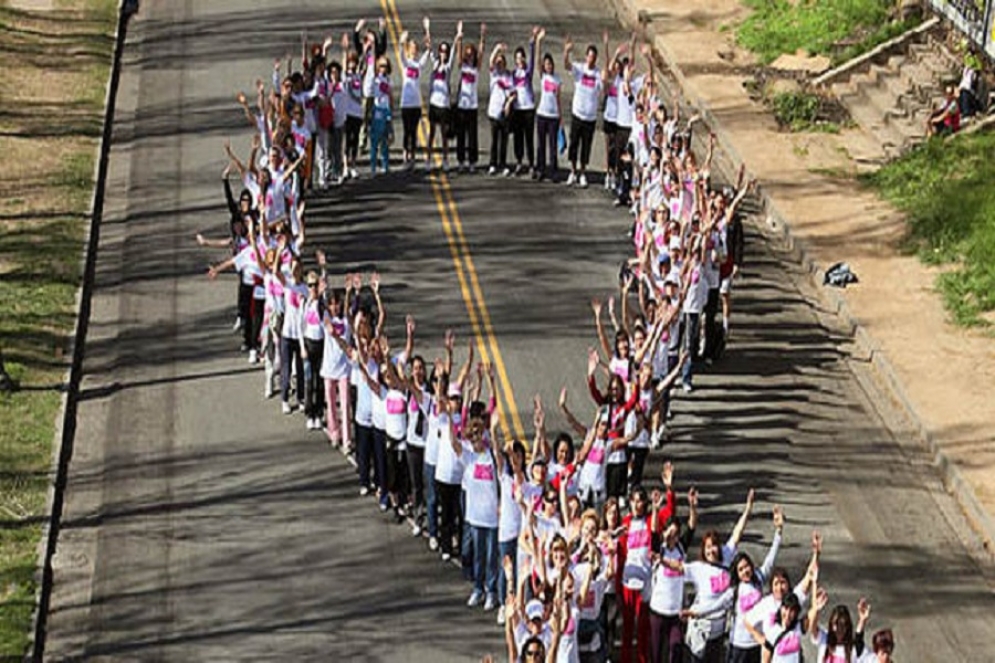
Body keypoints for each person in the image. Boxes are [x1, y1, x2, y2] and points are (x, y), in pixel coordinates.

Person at [563, 36, 603, 188]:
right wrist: (566, 52)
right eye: (589, 56)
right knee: (574, 144)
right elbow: (567, 66)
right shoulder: (579, 69)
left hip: (590, 117)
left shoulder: (598, 74)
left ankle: (583, 172)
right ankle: (572, 171)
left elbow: (603, 86)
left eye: (594, 57)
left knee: (586, 147)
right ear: (586, 56)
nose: (591, 59)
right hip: (577, 114)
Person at [425, 18, 460, 171]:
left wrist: (457, 36)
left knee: (444, 134)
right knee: (431, 133)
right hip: (434, 104)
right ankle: (428, 160)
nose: (444, 53)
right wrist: (427, 29)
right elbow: (429, 48)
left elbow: (454, 53)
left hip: (444, 104)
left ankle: (445, 160)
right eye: (442, 51)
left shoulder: (447, 67)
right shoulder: (435, 64)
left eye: (445, 51)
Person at [396, 26, 431, 170]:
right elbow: (400, 54)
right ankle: (405, 156)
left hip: (416, 103)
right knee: (406, 131)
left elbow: (428, 53)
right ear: (408, 49)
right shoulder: (406, 64)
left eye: (416, 48)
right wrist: (401, 41)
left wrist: (427, 32)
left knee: (414, 131)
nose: (414, 50)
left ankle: (413, 156)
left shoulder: (418, 65)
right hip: (406, 103)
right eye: (412, 48)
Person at [455, 23, 486, 172]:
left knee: (472, 136)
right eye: (467, 54)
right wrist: (459, 35)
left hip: (472, 106)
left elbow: (481, 53)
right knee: (461, 135)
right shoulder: (463, 67)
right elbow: (458, 53)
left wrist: (482, 36)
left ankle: (472, 162)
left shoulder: (476, 70)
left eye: (471, 54)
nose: (469, 56)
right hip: (462, 106)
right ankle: (461, 161)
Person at [533, 29, 561, 182]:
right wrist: (538, 41)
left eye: (550, 64)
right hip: (542, 114)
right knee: (541, 145)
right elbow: (537, 59)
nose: (548, 66)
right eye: (546, 64)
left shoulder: (557, 79)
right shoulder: (543, 77)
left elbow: (558, 99)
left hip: (554, 116)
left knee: (553, 146)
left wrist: (561, 118)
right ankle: (541, 169)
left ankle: (554, 171)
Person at [510, 27, 538, 177]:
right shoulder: (513, 74)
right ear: (515, 59)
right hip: (517, 109)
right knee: (518, 137)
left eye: (522, 57)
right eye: (517, 58)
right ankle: (519, 162)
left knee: (529, 137)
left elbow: (533, 60)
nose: (520, 60)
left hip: (528, 109)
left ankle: (532, 164)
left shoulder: (527, 72)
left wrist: (532, 42)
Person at [487, 42, 516, 176]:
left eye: (501, 63)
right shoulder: (494, 75)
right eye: (497, 63)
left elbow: (513, 93)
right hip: (493, 111)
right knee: (494, 140)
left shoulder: (509, 76)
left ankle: (503, 164)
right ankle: (492, 164)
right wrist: (497, 48)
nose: (499, 65)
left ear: (505, 64)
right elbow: (490, 61)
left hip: (504, 112)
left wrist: (509, 103)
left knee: (504, 141)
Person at [369, 56, 393, 175]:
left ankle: (385, 164)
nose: (383, 68)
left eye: (385, 66)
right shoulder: (375, 79)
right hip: (377, 110)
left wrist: (391, 111)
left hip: (386, 110)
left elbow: (391, 96)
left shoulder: (388, 80)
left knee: (385, 139)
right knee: (375, 140)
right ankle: (373, 166)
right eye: (381, 66)